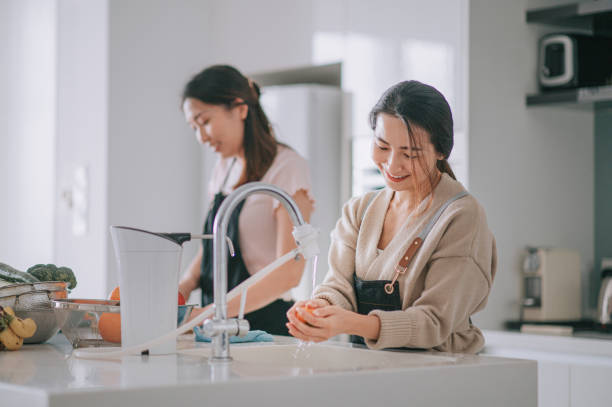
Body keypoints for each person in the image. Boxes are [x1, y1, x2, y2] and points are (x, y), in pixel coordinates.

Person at [286, 80, 496, 353]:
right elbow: (339, 286)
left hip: (442, 373)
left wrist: (353, 323)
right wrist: (319, 308)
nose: (393, 164)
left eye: (410, 153)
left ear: (441, 152)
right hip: (372, 369)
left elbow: (434, 321)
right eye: (383, 147)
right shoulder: (359, 210)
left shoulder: (461, 216)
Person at [179, 65, 314, 335]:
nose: (201, 137)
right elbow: (214, 244)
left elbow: (289, 272)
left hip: (263, 324)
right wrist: (183, 288)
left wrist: (209, 312)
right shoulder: (224, 168)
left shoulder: (286, 168)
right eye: (194, 127)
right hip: (217, 322)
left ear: (240, 108)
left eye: (204, 122)